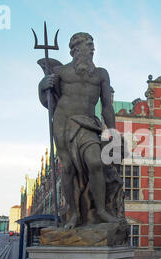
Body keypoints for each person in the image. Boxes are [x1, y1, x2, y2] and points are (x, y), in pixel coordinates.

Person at [39, 33, 121, 229]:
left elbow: (107, 106)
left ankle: (100, 210)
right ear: (76, 50)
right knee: (68, 169)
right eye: (89, 46)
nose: (93, 49)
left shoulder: (101, 74)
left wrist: (112, 131)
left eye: (93, 46)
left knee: (95, 162)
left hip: (88, 123)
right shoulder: (61, 72)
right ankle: (73, 214)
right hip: (63, 122)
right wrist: (42, 87)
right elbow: (48, 103)